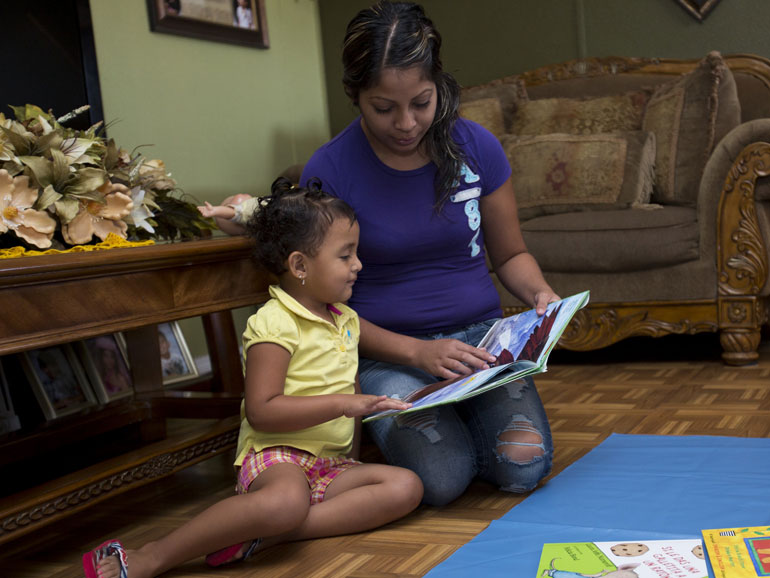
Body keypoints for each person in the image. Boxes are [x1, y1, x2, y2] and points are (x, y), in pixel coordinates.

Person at [205, 0, 560, 507]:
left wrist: (541, 295)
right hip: (386, 352)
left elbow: (511, 255)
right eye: (383, 107)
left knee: (525, 466)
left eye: (421, 101)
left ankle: (448, 421)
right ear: (354, 95)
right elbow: (320, 303)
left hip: (480, 344)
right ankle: (412, 426)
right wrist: (418, 352)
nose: (406, 123)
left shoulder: (477, 147)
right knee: (440, 480)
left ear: (438, 84)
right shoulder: (332, 168)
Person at [83, 178, 423, 578]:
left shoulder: (344, 319)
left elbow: (351, 388)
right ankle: (152, 555)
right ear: (299, 265)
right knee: (284, 504)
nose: (358, 265)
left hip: (330, 464)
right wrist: (347, 404)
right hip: (277, 457)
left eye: (356, 254)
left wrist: (358, 436)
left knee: (406, 487)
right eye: (345, 255)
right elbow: (263, 412)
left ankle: (269, 536)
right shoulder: (273, 323)